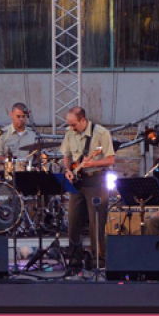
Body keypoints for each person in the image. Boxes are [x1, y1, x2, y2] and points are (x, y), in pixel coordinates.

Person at [61, 106, 115, 273]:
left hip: (96, 180)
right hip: (77, 182)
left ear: (83, 120)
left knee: (96, 222)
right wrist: (68, 170)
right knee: (73, 221)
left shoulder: (101, 133)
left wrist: (93, 163)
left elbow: (110, 159)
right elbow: (66, 155)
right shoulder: (69, 133)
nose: (71, 128)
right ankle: (75, 260)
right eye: (69, 125)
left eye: (74, 125)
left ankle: (98, 260)